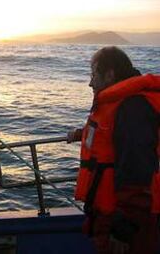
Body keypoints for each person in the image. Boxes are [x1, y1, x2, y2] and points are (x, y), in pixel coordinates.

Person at [68, 46, 160, 253]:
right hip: (110, 215)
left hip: (125, 222)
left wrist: (123, 229)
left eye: (94, 74)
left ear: (109, 75)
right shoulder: (122, 105)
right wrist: (81, 134)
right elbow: (110, 137)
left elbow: (138, 173)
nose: (90, 82)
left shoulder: (132, 108)